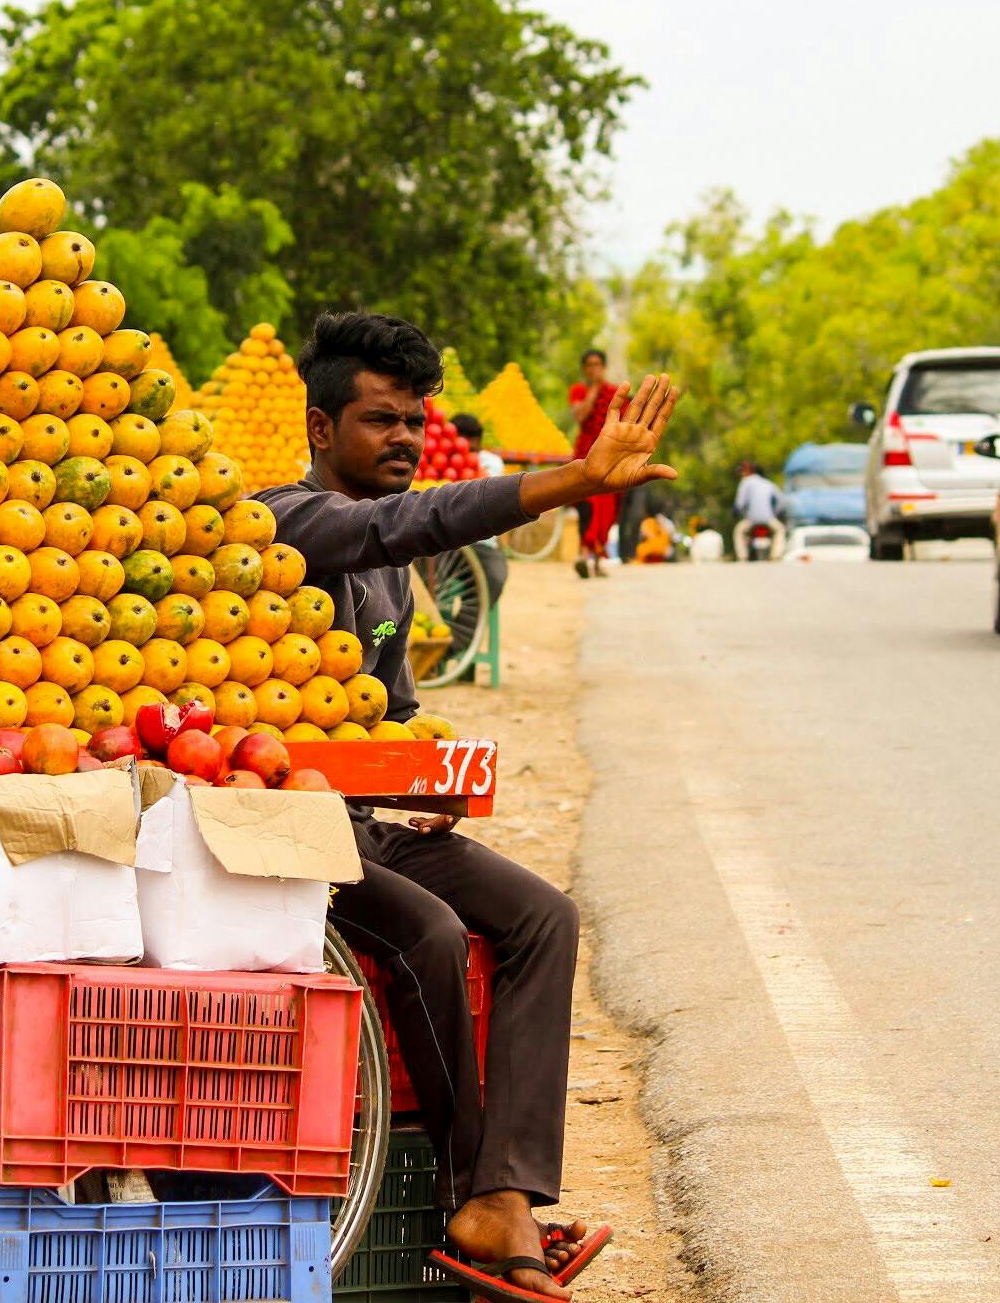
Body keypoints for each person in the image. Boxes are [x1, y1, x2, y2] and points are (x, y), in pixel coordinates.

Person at [258, 313, 680, 1302]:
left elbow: (391, 715)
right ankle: (473, 1195)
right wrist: (576, 479)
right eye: (379, 421)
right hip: (288, 837)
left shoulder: (388, 571)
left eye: (414, 420)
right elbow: (411, 522)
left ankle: (505, 1189)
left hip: (367, 821)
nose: (403, 439)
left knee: (545, 915)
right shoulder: (291, 521)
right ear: (321, 428)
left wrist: (428, 772)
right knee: (432, 933)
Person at [449, 413, 510, 644]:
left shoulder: (490, 463)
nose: (467, 455)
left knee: (495, 576)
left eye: (472, 449)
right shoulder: (438, 456)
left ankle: (458, 643)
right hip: (443, 543)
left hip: (482, 545)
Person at [566, 350, 620, 578]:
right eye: (589, 365)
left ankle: (597, 560)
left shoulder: (615, 393)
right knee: (587, 506)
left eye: (597, 364)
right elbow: (580, 416)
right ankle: (581, 555)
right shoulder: (578, 391)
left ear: (604, 367)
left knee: (606, 510)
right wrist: (595, 390)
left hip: (608, 459)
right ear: (584, 368)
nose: (593, 369)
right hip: (585, 457)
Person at [733, 460, 783, 561]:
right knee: (780, 530)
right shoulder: (769, 483)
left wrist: (736, 513)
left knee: (738, 531)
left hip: (751, 520)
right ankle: (775, 555)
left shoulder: (745, 482)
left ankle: (742, 557)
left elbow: (739, 504)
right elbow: (781, 501)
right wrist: (777, 513)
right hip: (768, 519)